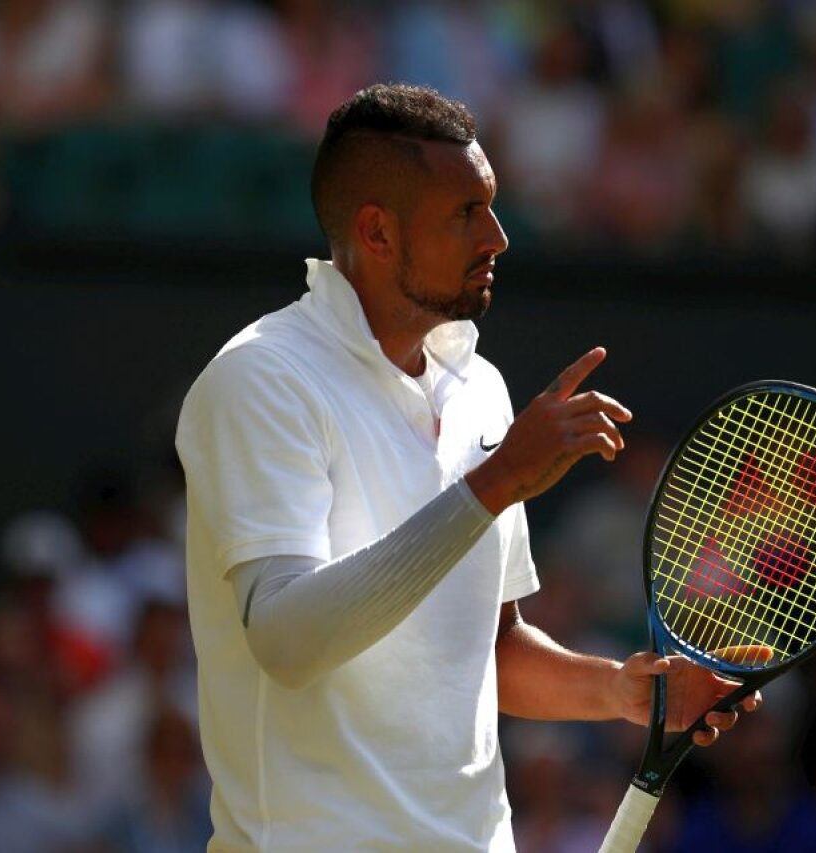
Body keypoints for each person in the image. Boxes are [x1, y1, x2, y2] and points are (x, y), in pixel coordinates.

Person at [175, 82, 760, 851]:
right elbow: (287, 642)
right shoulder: (260, 378)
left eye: (490, 204)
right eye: (465, 213)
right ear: (377, 233)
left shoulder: (480, 389)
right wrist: (494, 485)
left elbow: (490, 649)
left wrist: (624, 690)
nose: (498, 237)